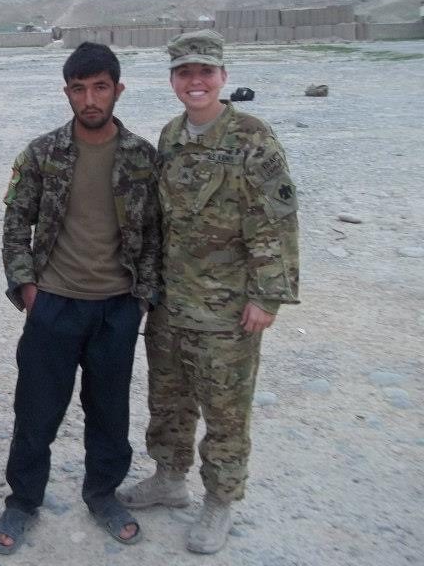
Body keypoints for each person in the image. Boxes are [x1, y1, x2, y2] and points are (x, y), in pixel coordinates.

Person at [117, 30, 299, 554]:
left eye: (205, 72)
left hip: (227, 309)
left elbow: (275, 220)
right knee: (168, 400)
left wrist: (267, 296)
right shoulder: (171, 136)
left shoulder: (251, 137)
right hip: (172, 303)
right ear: (173, 79)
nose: (195, 82)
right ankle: (169, 479)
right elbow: (161, 219)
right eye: (184, 73)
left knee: (225, 411)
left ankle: (220, 500)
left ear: (222, 76)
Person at [0, 42, 162, 554]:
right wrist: (27, 288)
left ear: (117, 90)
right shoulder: (42, 153)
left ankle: (103, 494)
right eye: (79, 89)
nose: (90, 99)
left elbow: (156, 233)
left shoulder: (142, 157)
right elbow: (15, 224)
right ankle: (23, 501)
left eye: (100, 88)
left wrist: (142, 297)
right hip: (55, 305)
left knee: (109, 412)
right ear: (67, 92)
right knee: (36, 411)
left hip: (117, 307)